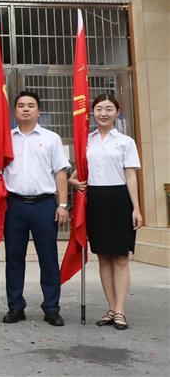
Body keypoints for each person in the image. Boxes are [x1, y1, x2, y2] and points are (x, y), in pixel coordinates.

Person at [0, 90, 70, 327]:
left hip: (44, 205)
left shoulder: (51, 138)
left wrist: (63, 204)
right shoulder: (6, 139)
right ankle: (16, 307)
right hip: (14, 205)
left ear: (39, 111)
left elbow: (60, 172)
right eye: (21, 105)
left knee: (48, 258)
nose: (25, 109)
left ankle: (51, 308)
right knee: (14, 258)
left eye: (31, 105)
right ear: (15, 111)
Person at [69, 94, 143, 331]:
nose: (103, 113)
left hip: (120, 199)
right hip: (96, 200)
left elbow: (131, 176)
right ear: (92, 112)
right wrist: (73, 183)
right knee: (103, 257)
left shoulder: (125, 142)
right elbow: (76, 174)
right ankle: (110, 308)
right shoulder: (86, 141)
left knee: (120, 258)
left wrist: (136, 208)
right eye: (99, 108)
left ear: (117, 112)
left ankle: (120, 311)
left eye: (109, 109)